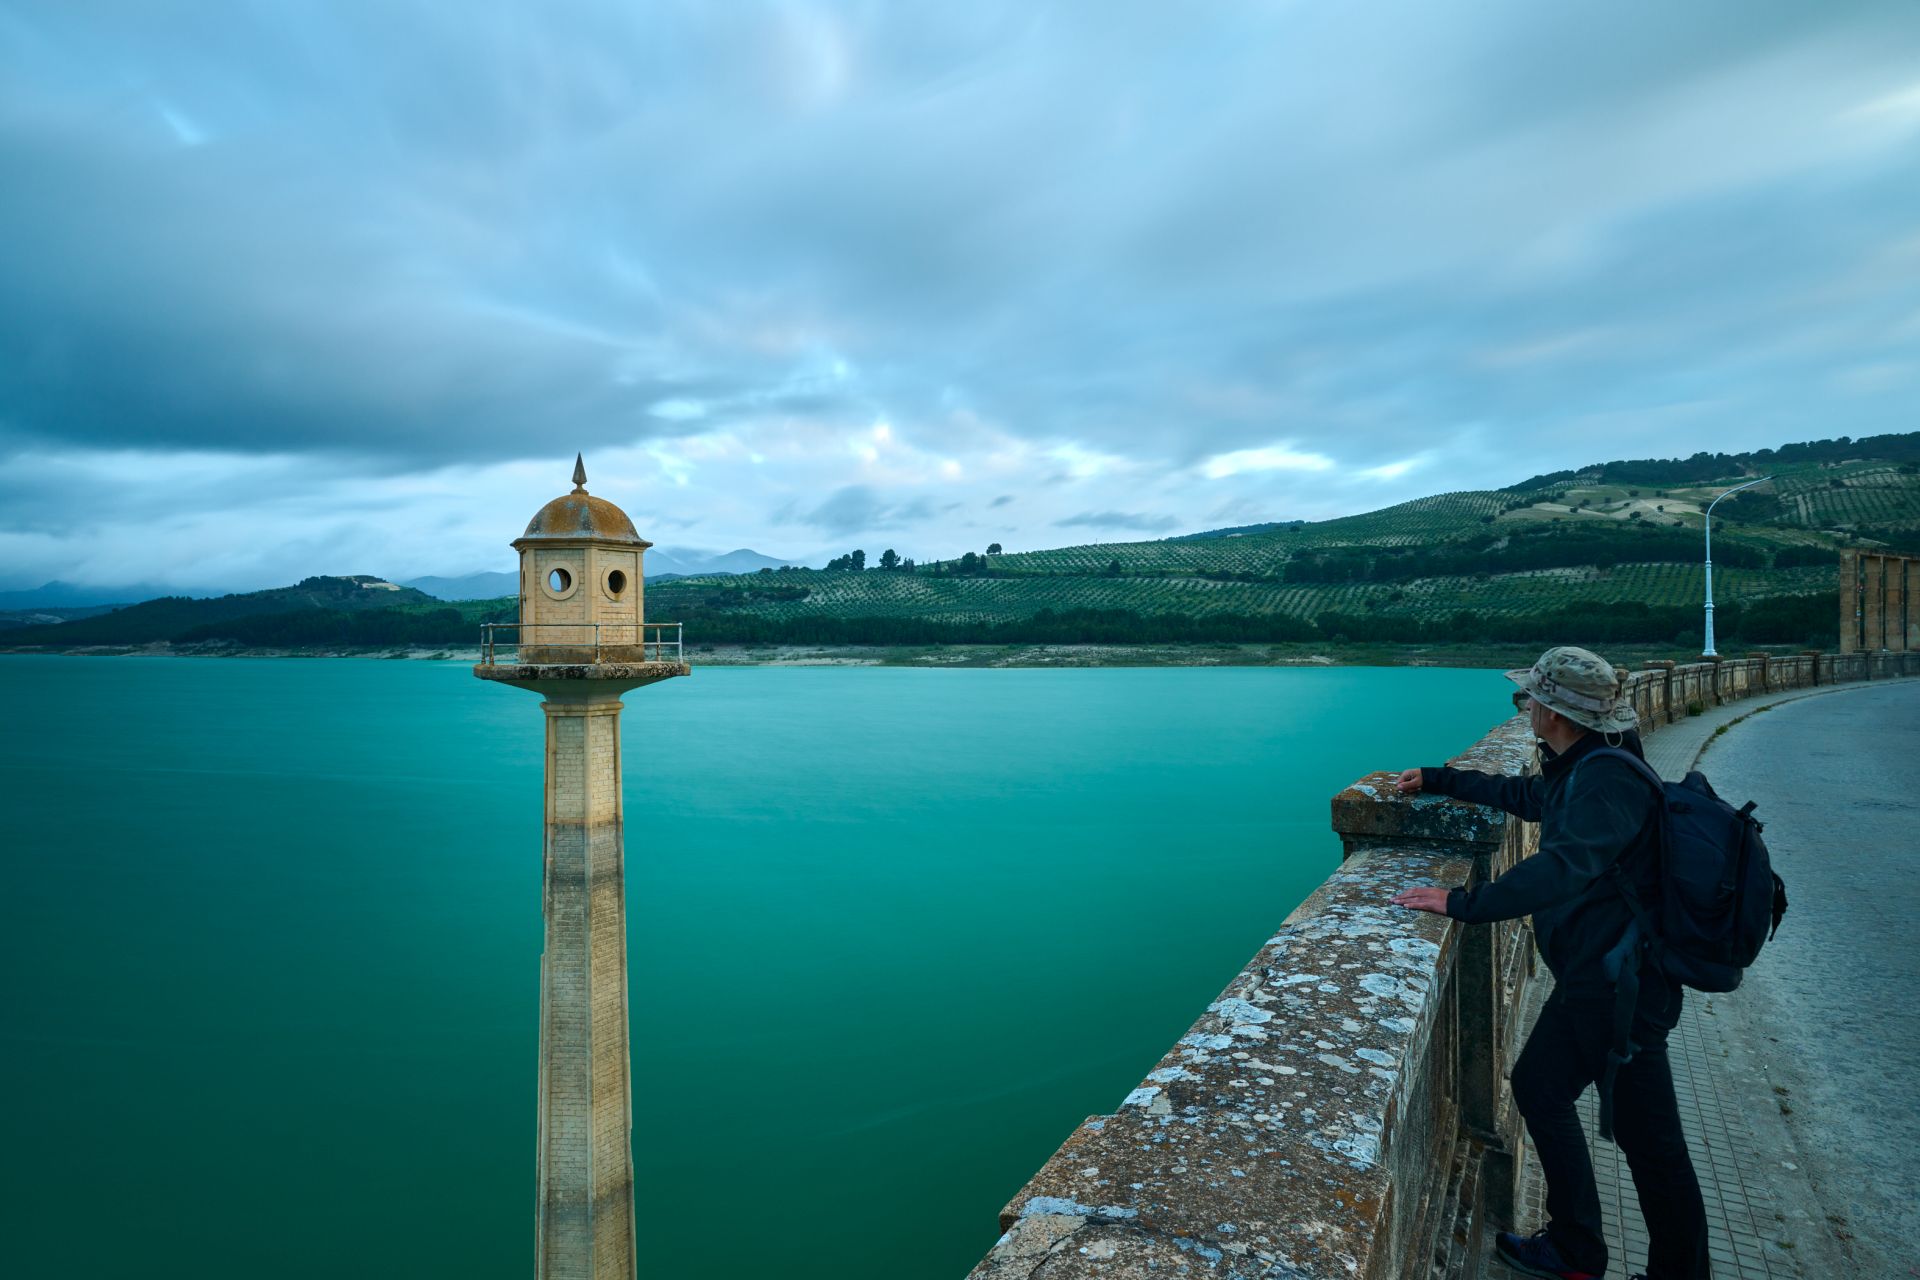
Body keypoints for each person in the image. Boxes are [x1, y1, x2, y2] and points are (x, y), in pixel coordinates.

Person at [1389, 646, 1709, 1280]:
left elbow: (1562, 868)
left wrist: (1463, 902)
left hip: (1620, 987)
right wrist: (1441, 776)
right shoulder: (1586, 764)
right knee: (1547, 1091)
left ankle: (1614, 1258)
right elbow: (1528, 796)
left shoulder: (1607, 778)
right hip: (1604, 976)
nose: (1524, 707)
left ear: (1555, 714)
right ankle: (1579, 1249)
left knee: (1654, 1151)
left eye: (1528, 699)